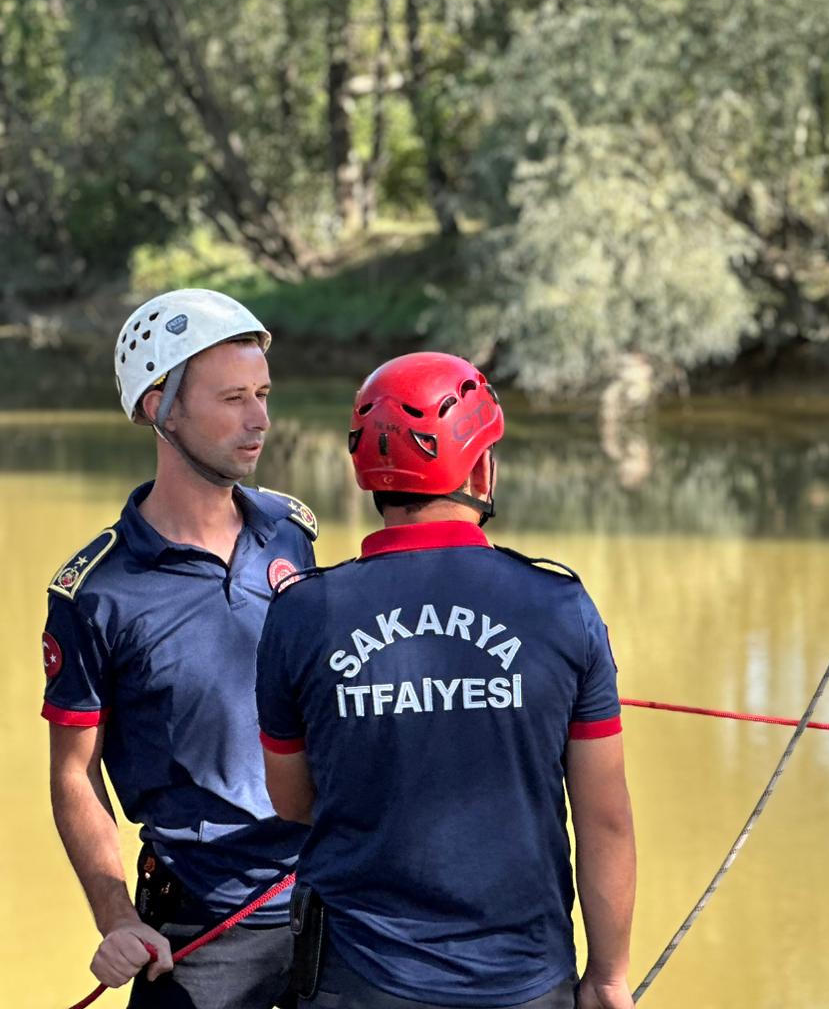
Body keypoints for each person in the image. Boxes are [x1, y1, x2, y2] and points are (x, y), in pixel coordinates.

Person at [255, 352, 636, 1009]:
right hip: (524, 983)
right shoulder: (558, 608)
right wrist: (607, 977)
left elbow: (293, 802)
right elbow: (604, 822)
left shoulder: (302, 614)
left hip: (355, 983)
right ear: (480, 467)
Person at [43, 288, 318, 1007]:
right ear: (156, 407)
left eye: (262, 393)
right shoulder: (95, 593)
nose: (258, 418)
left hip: (330, 900)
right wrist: (117, 919)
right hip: (199, 929)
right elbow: (75, 776)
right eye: (232, 398)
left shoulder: (291, 533)